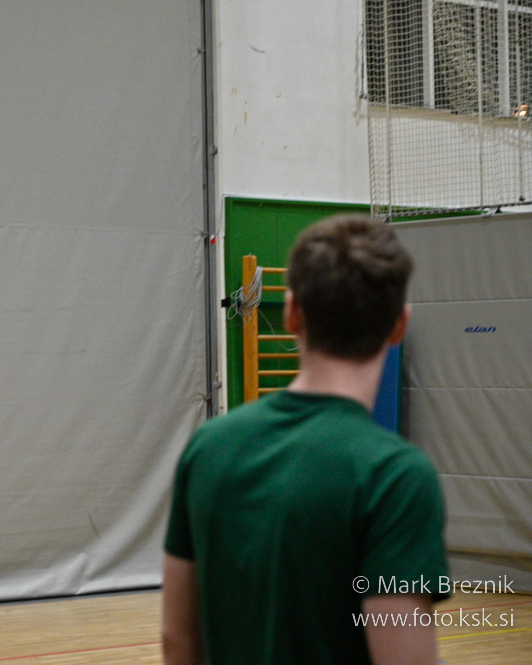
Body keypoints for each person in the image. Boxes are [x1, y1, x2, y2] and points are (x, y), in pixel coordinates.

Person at [162, 215, 449, 665]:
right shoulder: (395, 476)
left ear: (292, 311)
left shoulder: (208, 448)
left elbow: (176, 640)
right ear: (399, 325)